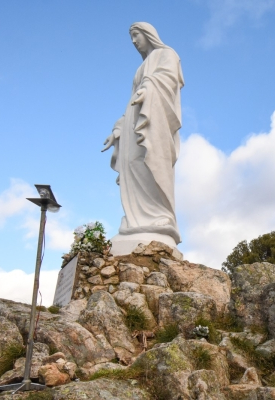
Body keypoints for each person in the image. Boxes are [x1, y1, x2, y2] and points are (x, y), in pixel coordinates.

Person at [102, 22, 184, 247]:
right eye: (131, 37)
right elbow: (130, 102)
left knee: (150, 163)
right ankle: (137, 219)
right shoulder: (141, 67)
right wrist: (118, 128)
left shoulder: (167, 54)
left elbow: (168, 81)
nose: (133, 41)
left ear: (149, 35)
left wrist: (148, 88)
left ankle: (159, 216)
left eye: (136, 35)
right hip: (134, 122)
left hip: (152, 119)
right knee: (131, 162)